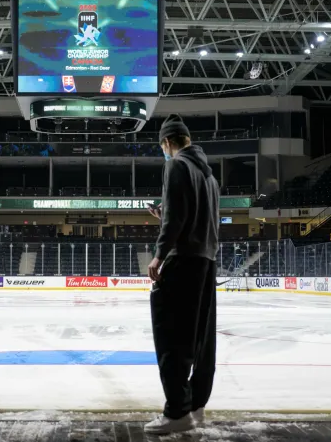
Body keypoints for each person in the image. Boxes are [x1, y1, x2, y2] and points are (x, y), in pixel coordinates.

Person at [144, 114, 220, 435]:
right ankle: (196, 406)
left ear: (167, 142)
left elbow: (177, 217)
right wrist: (165, 214)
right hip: (206, 262)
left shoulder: (176, 166)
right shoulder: (209, 175)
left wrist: (159, 254)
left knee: (172, 336)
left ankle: (176, 411)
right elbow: (195, 215)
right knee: (201, 339)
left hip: (182, 260)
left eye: (163, 145)